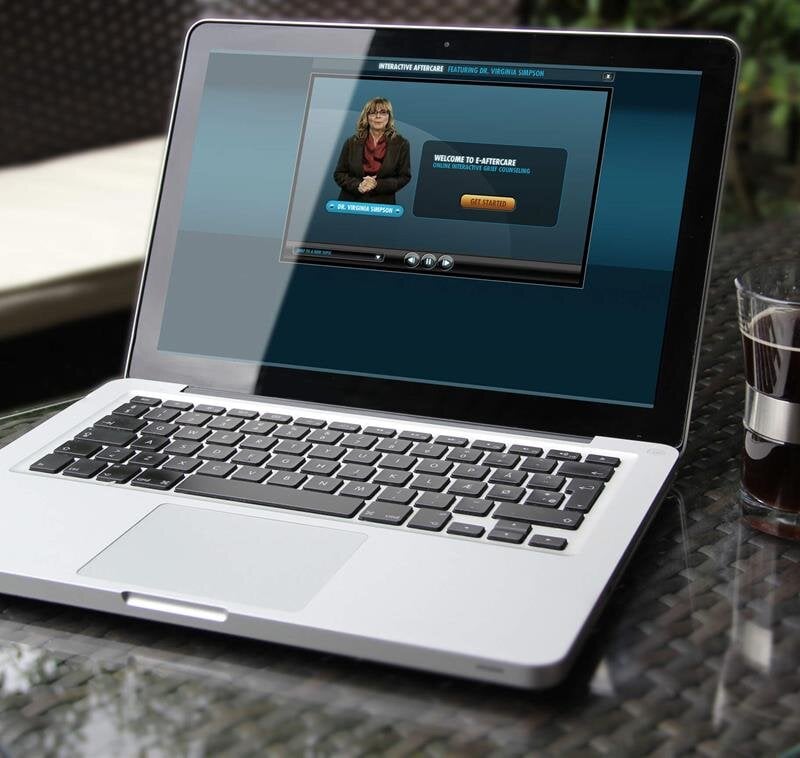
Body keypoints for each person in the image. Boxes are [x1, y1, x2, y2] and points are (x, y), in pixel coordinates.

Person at [334, 97, 411, 204]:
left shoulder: (401, 143)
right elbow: (339, 174)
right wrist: (358, 185)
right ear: (366, 117)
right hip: (351, 203)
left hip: (383, 205)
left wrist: (377, 184)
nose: (378, 116)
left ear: (389, 117)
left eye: (383, 112)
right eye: (373, 113)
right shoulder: (351, 142)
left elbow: (404, 177)